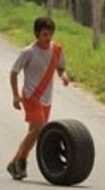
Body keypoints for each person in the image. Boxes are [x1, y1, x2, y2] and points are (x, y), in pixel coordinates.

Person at [7, 16, 69, 180]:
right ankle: (21, 161)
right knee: (38, 129)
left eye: (50, 35)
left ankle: (14, 162)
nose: (48, 39)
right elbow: (14, 73)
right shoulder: (28, 52)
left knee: (33, 133)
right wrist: (15, 95)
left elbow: (61, 68)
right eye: (44, 35)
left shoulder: (56, 49)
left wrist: (63, 76)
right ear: (36, 34)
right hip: (31, 96)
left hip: (47, 99)